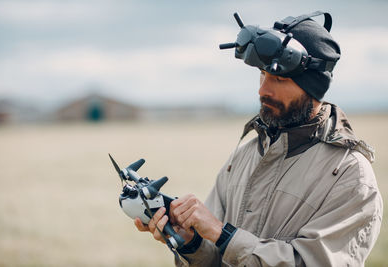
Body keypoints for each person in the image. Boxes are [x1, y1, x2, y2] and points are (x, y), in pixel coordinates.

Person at [134, 11, 383, 266]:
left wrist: (223, 235)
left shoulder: (350, 177)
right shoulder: (244, 156)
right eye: (262, 74)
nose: (263, 90)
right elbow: (218, 259)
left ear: (314, 90)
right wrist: (192, 244)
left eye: (279, 78)